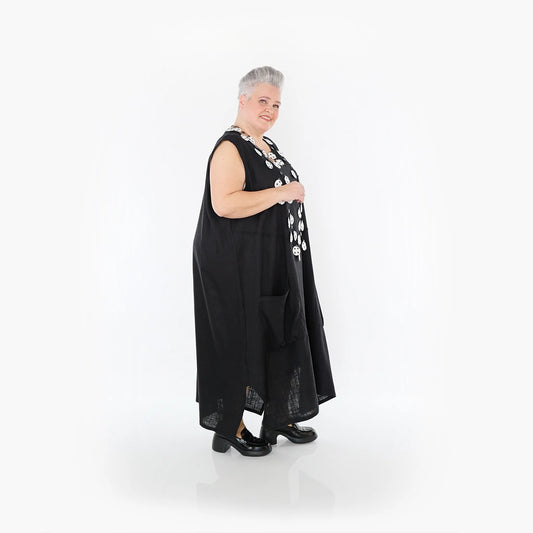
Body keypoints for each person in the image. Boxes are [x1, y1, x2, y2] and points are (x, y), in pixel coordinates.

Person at [192, 66, 336, 457]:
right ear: (242, 100)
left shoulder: (265, 145)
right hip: (235, 265)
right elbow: (224, 204)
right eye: (262, 101)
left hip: (271, 261)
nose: (270, 110)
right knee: (239, 340)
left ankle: (279, 415)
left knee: (281, 331)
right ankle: (230, 426)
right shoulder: (230, 147)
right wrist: (281, 193)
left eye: (276, 104)